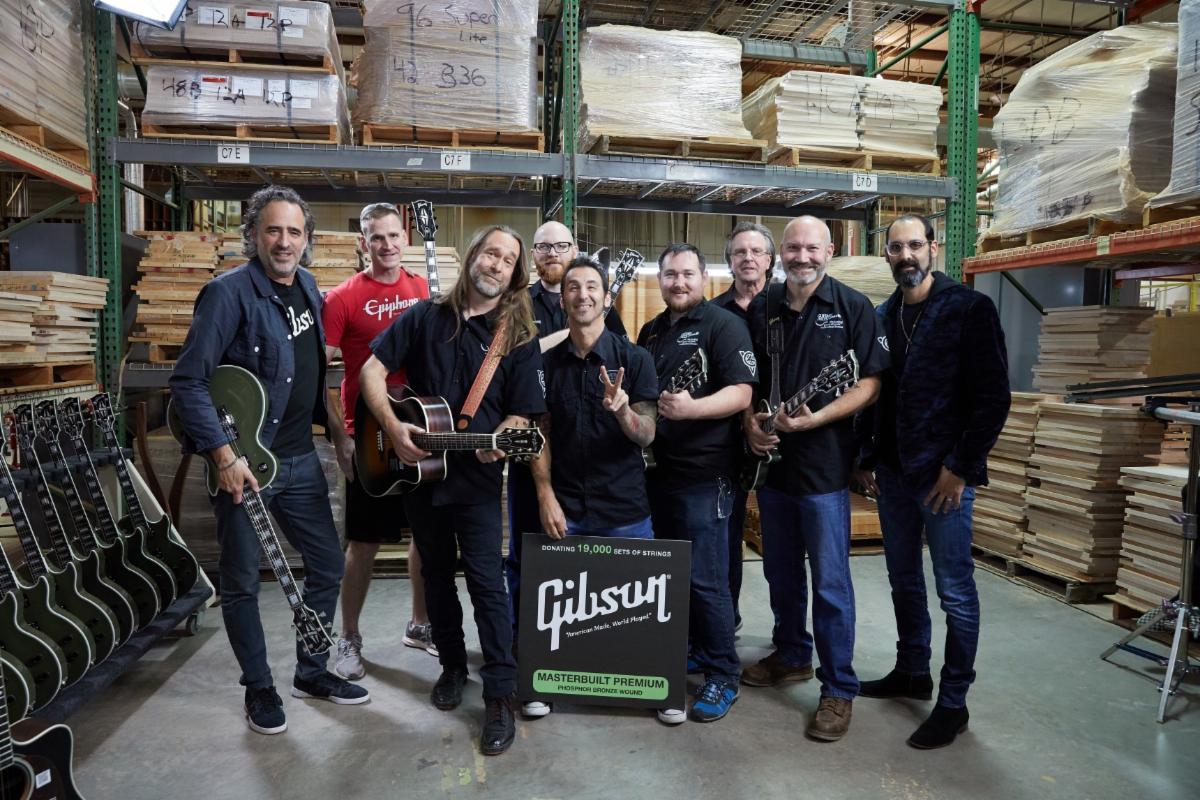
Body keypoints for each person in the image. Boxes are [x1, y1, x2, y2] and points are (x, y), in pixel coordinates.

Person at [170, 185, 368, 736]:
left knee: (328, 564)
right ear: (254, 234)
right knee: (241, 581)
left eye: (294, 232)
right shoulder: (227, 294)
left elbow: (312, 373)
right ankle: (258, 687)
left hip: (299, 459)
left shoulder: (307, 287)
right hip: (245, 462)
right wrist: (225, 457)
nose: (284, 242)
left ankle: (311, 670)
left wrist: (337, 431)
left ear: (307, 241)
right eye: (273, 230)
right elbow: (188, 382)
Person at [359, 225, 546, 757]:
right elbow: (372, 371)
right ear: (472, 258)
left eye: (508, 260)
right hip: (421, 476)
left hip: (479, 483)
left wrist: (503, 438)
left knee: (488, 584)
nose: (497, 264)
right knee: (436, 577)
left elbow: (521, 414)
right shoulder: (421, 317)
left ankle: (500, 695)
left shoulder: (517, 339)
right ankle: (451, 666)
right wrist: (392, 429)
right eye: (491, 252)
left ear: (514, 276)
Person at [855, 214, 1010, 749]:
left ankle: (953, 702)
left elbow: (993, 399)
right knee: (902, 579)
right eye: (896, 248)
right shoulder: (884, 314)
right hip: (895, 475)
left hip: (943, 478)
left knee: (956, 593)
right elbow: (877, 398)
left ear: (933, 248)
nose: (906, 256)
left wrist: (961, 467)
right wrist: (869, 458)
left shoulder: (968, 308)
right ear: (888, 257)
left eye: (914, 245)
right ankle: (912, 669)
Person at [741, 215, 887, 743]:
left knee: (829, 583)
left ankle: (839, 688)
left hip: (825, 470)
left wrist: (817, 418)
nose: (802, 257)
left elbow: (870, 383)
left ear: (829, 251)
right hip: (772, 469)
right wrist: (751, 427)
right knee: (780, 573)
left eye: (812, 248)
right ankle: (792, 654)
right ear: (781, 252)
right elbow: (747, 379)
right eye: (794, 248)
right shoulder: (764, 307)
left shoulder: (853, 308)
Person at [521, 253, 658, 718]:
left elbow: (648, 433)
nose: (582, 294)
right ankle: (544, 679)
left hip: (624, 506)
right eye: (573, 287)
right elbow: (539, 432)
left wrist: (622, 410)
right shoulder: (543, 363)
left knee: (637, 608)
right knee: (558, 604)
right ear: (562, 299)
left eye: (591, 287)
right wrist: (544, 495)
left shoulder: (634, 358)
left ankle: (647, 680)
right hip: (567, 507)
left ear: (605, 297)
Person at [637, 243, 757, 724]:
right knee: (674, 576)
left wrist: (693, 409)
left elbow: (743, 390)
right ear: (660, 280)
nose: (678, 282)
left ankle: (724, 674)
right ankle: (691, 649)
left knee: (708, 580)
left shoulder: (725, 326)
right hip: (657, 474)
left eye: (687, 274)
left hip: (706, 476)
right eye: (670, 275)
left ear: (703, 277)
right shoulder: (651, 330)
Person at [321, 202, 435, 682]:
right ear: (361, 242)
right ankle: (348, 637)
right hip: (366, 435)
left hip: (421, 429)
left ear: (404, 238)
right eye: (376, 237)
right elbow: (323, 375)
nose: (386, 245)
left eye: (393, 236)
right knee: (363, 541)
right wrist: (340, 435)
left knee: (426, 536)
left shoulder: (424, 291)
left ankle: (420, 625)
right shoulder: (343, 298)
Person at [504, 221, 627, 640]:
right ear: (532, 256)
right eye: (543, 247)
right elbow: (512, 358)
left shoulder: (596, 298)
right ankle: (524, 642)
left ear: (575, 248)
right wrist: (573, 330)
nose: (552, 253)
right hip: (532, 445)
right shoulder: (515, 302)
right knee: (525, 551)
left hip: (583, 456)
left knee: (577, 558)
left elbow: (618, 358)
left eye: (561, 245)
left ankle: (580, 642)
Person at [710, 221, 776, 632]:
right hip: (728, 443)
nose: (748, 258)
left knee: (784, 547)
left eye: (756, 251)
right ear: (729, 261)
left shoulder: (788, 306)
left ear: (770, 259)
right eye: (739, 252)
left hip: (785, 439)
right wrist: (744, 420)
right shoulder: (714, 314)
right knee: (727, 540)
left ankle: (789, 642)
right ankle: (726, 622)